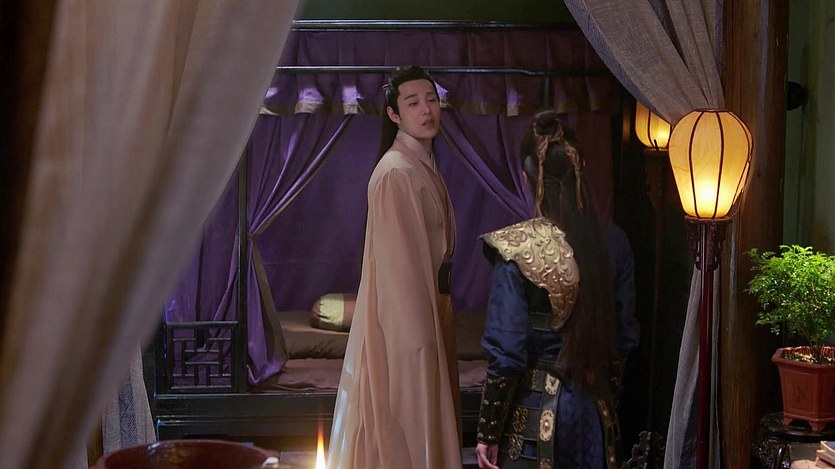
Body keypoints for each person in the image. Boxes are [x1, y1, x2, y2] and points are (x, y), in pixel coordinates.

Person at [474, 110, 640, 469]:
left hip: (535, 418)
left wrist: (488, 432)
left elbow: (507, 350)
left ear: (526, 179)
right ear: (580, 173)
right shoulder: (613, 243)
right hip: (597, 412)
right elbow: (623, 339)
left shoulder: (517, 248)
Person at [327, 66, 461, 469]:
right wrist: (418, 343)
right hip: (410, 321)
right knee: (408, 423)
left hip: (434, 306)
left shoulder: (420, 165)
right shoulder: (396, 172)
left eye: (431, 100)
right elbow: (400, 273)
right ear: (394, 114)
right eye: (413, 103)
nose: (426, 110)